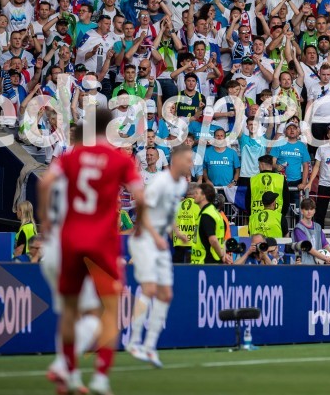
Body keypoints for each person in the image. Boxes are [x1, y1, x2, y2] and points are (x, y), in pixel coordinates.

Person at [37, 109, 145, 395]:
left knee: (70, 311)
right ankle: (99, 377)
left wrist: (45, 220)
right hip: (102, 242)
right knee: (109, 310)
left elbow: (46, 182)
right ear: (109, 128)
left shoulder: (71, 156)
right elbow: (141, 195)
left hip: (69, 239)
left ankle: (70, 374)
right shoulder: (119, 159)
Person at [127, 145, 193, 368]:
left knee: (166, 294)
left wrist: (177, 232)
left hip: (160, 241)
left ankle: (150, 346)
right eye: (188, 160)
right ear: (176, 161)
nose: (191, 163)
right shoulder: (160, 182)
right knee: (149, 289)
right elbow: (142, 210)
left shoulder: (181, 184)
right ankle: (135, 341)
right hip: (145, 239)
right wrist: (155, 235)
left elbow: (168, 213)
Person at [246, 155, 290, 235]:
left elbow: (247, 200)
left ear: (262, 164)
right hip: (277, 217)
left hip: (256, 219)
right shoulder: (281, 178)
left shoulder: (253, 179)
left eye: (259, 164)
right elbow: (286, 199)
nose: (258, 167)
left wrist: (251, 216)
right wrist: (281, 216)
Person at [190, 182, 232, 264]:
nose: (194, 195)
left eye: (196, 193)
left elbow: (213, 240)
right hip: (211, 262)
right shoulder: (215, 213)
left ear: (204, 196)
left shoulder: (207, 215)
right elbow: (222, 241)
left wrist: (222, 256)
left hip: (206, 263)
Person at [292, 198, 330, 264]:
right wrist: (325, 258)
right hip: (304, 264)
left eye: (311, 209)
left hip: (317, 265)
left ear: (314, 211)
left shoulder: (318, 227)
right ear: (301, 211)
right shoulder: (299, 228)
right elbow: (308, 248)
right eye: (306, 209)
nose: (309, 212)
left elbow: (325, 244)